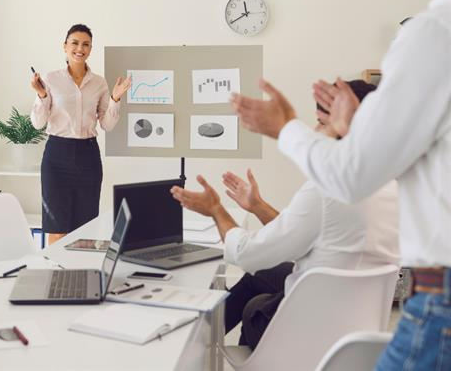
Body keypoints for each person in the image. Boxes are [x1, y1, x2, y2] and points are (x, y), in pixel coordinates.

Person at [230, 0, 450, 367]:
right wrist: (356, 132)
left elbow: (348, 179)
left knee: (256, 280)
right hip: (383, 319)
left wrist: (284, 127)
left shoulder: (435, 31)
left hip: (439, 303)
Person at [171, 81, 400, 350]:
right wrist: (257, 206)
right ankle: (202, 338)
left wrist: (216, 210)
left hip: (306, 335)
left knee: (256, 307)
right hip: (353, 321)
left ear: (348, 128)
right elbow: (308, 236)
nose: (313, 131)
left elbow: (247, 253)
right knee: (262, 275)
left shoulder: (326, 191)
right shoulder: (391, 183)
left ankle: (194, 345)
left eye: (321, 123)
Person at [30, 23, 131, 244]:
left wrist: (115, 98)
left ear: (90, 49)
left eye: (86, 44)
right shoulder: (51, 79)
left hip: (88, 156)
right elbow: (38, 123)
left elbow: (107, 124)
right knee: (57, 228)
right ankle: (56, 275)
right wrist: (41, 96)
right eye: (74, 43)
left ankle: (80, 276)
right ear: (65, 46)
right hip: (56, 155)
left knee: (86, 228)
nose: (80, 48)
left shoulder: (99, 83)